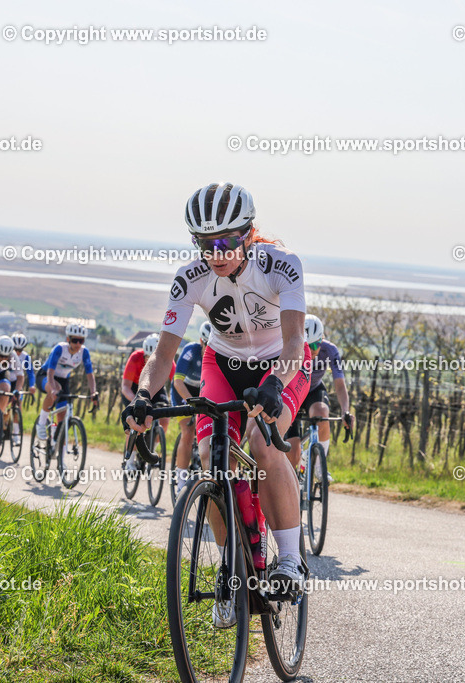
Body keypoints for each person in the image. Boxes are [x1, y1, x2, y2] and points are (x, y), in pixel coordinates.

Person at [122, 182, 312, 628]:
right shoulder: (190, 278)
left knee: (265, 446)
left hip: (280, 364)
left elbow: (294, 342)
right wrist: (145, 399)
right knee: (211, 458)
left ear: (247, 233)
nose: (217, 252)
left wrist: (275, 385)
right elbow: (162, 356)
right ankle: (233, 571)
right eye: (205, 243)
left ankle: (289, 560)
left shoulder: (281, 266)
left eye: (226, 241)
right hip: (222, 362)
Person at [286, 315, 354, 474]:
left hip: (314, 390)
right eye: (308, 346)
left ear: (322, 339)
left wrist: (346, 411)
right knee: (293, 453)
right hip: (294, 391)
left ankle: (318, 468)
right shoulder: (292, 348)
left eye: (317, 344)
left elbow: (340, 384)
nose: (313, 349)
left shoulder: (330, 350)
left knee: (322, 413)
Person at [33, 323, 98, 441]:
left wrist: (94, 392)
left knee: (62, 422)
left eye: (81, 341)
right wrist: (52, 389)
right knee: (56, 389)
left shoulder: (84, 352)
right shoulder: (60, 348)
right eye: (75, 340)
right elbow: (50, 372)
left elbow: (90, 374)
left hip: (63, 380)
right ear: (68, 339)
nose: (78, 344)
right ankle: (41, 423)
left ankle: (56, 443)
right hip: (45, 376)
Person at [121, 333, 175, 470]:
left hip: (155, 388)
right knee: (135, 422)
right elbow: (125, 387)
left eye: (154, 359)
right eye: (147, 358)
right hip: (134, 389)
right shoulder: (135, 358)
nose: (151, 363)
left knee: (165, 418)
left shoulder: (166, 360)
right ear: (143, 354)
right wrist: (135, 401)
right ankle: (130, 461)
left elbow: (176, 383)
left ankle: (153, 450)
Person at [170, 321, 210, 493]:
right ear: (202, 341)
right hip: (183, 391)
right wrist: (194, 405)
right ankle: (180, 481)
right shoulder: (191, 351)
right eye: (207, 345)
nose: (210, 350)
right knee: (188, 431)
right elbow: (178, 381)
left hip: (202, 392)